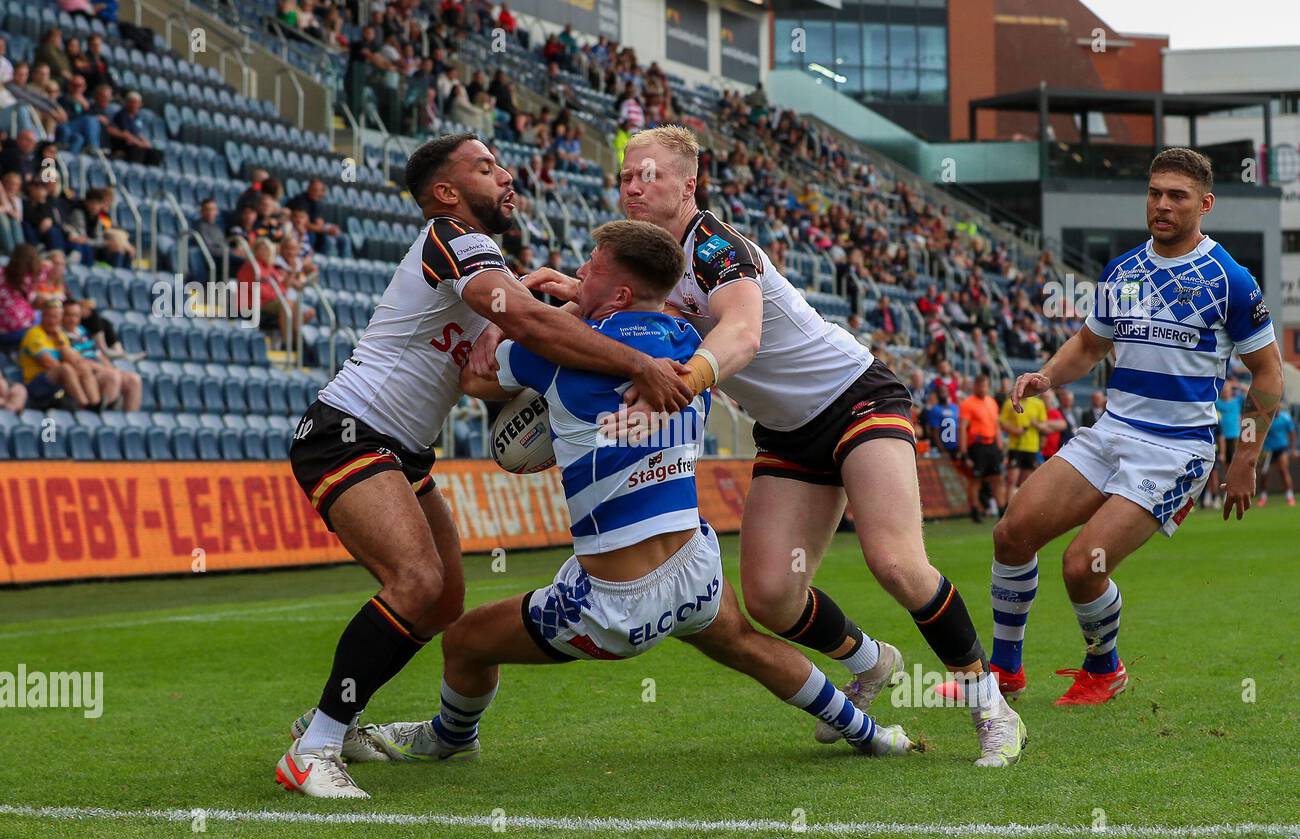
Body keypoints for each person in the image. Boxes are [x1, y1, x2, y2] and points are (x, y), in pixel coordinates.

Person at [517, 125, 1025, 767]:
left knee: (895, 562)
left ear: (689, 186)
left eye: (652, 175)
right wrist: (571, 298)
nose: (635, 186)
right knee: (770, 597)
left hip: (854, 396)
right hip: (787, 432)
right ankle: (873, 662)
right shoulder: (648, 265)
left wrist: (681, 380)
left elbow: (744, 334)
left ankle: (992, 707)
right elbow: (632, 317)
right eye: (627, 176)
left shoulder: (716, 246)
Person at [361, 220, 913, 777]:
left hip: (613, 602)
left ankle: (452, 737)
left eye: (592, 267)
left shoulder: (556, 357)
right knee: (744, 644)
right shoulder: (689, 344)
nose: (579, 272)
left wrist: (548, 319)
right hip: (693, 565)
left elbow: (477, 378)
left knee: (465, 640)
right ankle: (873, 733)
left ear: (620, 292)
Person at [276, 134, 694, 798]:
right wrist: (638, 362)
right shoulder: (452, 236)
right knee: (415, 582)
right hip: (348, 433)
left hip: (401, 448)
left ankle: (340, 717)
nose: (506, 174)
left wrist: (573, 307)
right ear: (447, 193)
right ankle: (315, 745)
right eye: (486, 167)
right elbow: (527, 323)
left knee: (443, 599)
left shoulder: (482, 258)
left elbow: (492, 358)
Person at [984, 148, 1284, 706]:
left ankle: (1105, 666)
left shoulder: (1231, 280)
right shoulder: (1123, 270)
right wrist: (1048, 377)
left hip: (1175, 451)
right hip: (1110, 432)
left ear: (1205, 204)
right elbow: (1090, 345)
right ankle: (1005, 671)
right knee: (1011, 534)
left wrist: (1245, 458)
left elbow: (1267, 374)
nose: (1162, 205)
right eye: (1154, 193)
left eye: (1177, 195)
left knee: (1083, 564)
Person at [61, 296, 141, 410]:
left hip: (100, 370)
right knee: (112, 377)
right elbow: (78, 361)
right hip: (86, 375)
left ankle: (131, 422)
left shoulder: (83, 331)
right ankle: (104, 417)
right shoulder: (60, 336)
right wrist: (106, 370)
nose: (72, 319)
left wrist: (111, 368)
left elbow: (98, 354)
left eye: (76, 315)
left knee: (134, 379)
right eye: (68, 315)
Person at [18, 299, 97, 408]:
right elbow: (48, 363)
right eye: (49, 316)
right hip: (35, 382)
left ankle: (96, 405)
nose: (52, 320)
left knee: (84, 367)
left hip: (57, 379)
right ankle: (83, 404)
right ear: (43, 316)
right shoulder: (34, 334)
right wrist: (75, 371)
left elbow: (75, 360)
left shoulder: (60, 335)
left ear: (61, 318)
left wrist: (60, 342)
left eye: (56, 317)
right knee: (66, 368)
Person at [959, 374, 1004, 521]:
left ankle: (1001, 509)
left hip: (991, 444)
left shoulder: (992, 402)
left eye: (986, 386)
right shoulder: (968, 404)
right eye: (981, 386)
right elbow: (962, 428)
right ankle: (975, 510)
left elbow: (996, 426)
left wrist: (1000, 445)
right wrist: (964, 452)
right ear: (975, 386)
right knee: (976, 479)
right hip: (977, 445)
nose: (983, 389)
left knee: (997, 478)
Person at [999, 385, 1046, 495]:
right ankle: (1007, 507)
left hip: (1031, 447)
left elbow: (1044, 425)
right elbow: (1002, 422)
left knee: (1026, 481)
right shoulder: (1010, 403)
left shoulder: (1038, 404)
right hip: (1015, 446)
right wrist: (1014, 430)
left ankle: (1023, 509)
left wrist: (1036, 425)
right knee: (1011, 479)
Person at [1256, 401, 1294, 507]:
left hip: (1282, 448)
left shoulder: (1285, 418)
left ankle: (1289, 496)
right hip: (1268, 449)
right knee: (1264, 473)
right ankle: (1263, 496)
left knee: (1284, 470)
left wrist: (1293, 448)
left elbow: (1292, 433)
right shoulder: (1266, 420)